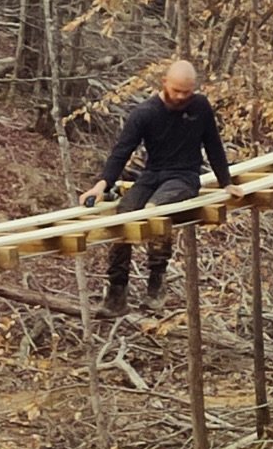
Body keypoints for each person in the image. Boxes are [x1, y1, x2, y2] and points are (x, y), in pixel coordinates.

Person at [82, 59, 242, 314]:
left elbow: (213, 144)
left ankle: (156, 283)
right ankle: (116, 293)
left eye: (186, 92)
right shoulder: (145, 113)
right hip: (152, 175)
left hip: (184, 176)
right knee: (123, 218)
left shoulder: (200, 106)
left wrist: (226, 183)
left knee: (156, 210)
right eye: (176, 90)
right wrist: (101, 185)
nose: (181, 97)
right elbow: (122, 151)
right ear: (164, 83)